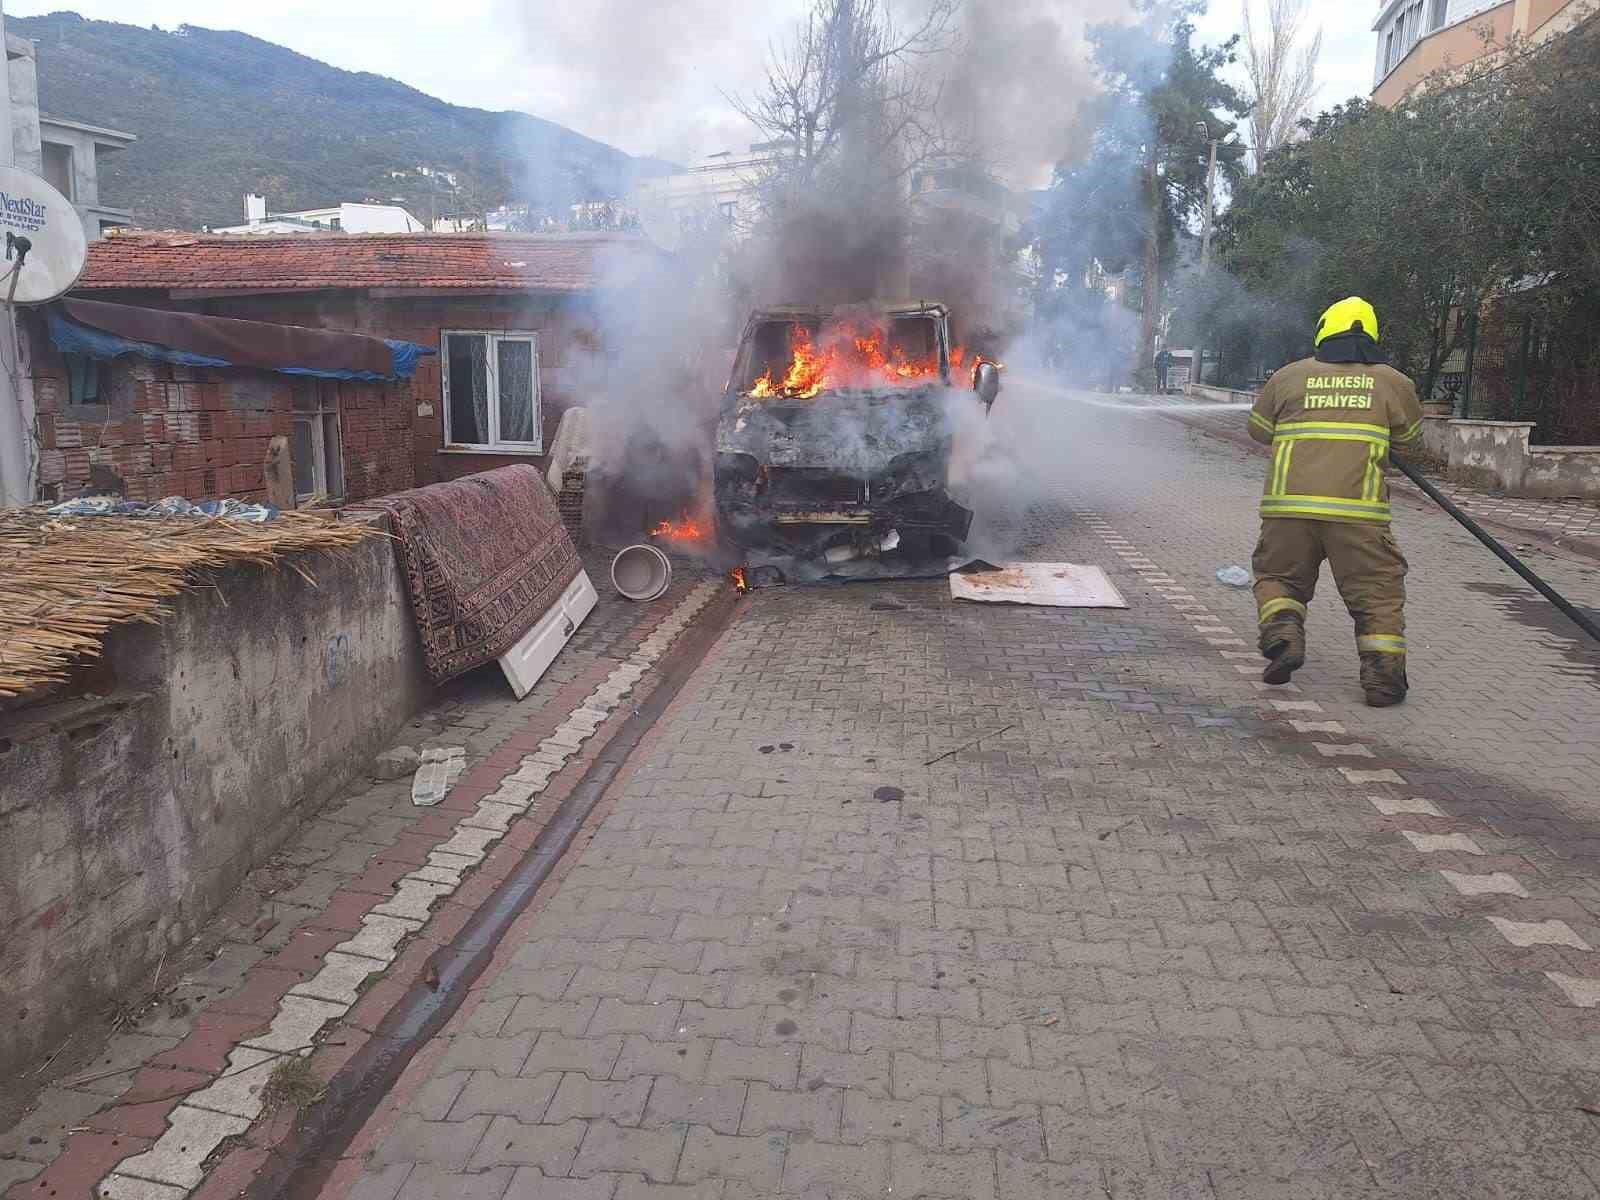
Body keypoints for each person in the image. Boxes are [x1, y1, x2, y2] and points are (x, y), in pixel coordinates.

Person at [1247, 297, 1424, 707]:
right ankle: (1383, 680)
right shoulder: (1394, 382)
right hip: (1358, 513)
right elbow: (1410, 442)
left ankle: (1284, 633)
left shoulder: (1288, 377)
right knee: (1376, 591)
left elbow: (1258, 431)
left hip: (1287, 510)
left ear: (1324, 329)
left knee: (1279, 576)